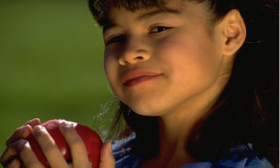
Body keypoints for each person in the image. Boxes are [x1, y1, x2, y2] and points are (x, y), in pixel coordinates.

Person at [1, 0, 278, 167]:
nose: (129, 53)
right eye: (115, 37)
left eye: (158, 28)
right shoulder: (111, 159)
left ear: (230, 34)